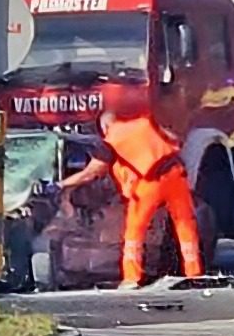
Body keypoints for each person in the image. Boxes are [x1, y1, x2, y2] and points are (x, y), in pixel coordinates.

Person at [58, 83, 202, 289]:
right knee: (185, 226)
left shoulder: (112, 139)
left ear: (105, 125)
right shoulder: (145, 123)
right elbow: (173, 138)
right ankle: (194, 273)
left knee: (134, 232)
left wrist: (61, 184)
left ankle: (132, 278)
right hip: (175, 174)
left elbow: (92, 172)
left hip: (147, 183)